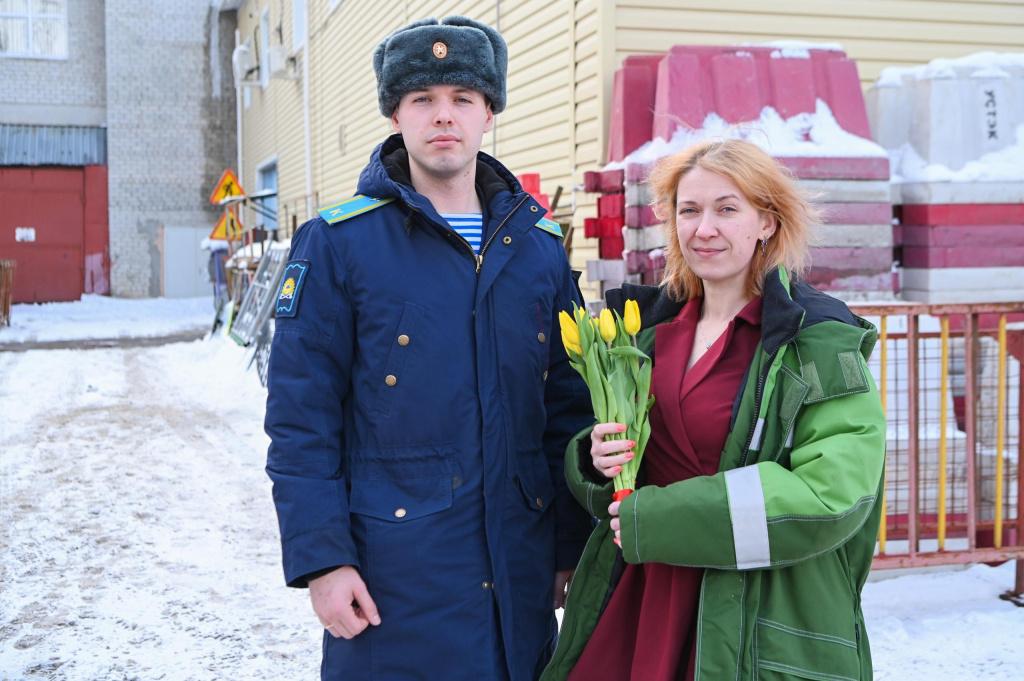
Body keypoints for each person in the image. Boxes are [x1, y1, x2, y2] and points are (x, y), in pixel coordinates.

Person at [263, 15, 593, 681]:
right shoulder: (339, 245)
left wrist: (567, 546)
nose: (444, 116)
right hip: (396, 583)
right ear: (395, 114)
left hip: (519, 581)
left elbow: (566, 408)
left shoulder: (537, 249)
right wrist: (324, 559)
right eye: (423, 100)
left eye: (462, 99)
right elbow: (302, 419)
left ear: (488, 113)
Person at [542, 139, 886, 681]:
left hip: (757, 609)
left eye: (727, 209)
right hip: (642, 597)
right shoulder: (646, 335)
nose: (705, 229)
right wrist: (594, 459)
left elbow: (832, 495)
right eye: (689, 210)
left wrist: (657, 519)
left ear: (766, 222)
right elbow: (620, 466)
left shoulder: (818, 344)